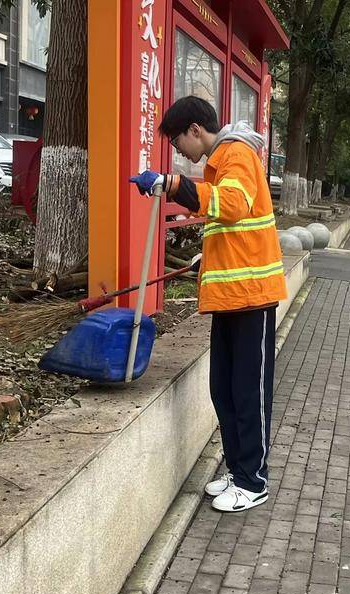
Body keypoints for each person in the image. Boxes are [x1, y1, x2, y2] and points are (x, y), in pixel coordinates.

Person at [129, 96, 286, 513]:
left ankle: (253, 481)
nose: (180, 152)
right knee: (224, 389)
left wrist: (173, 183)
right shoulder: (223, 162)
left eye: (178, 142)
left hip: (252, 298)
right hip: (232, 298)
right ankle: (238, 470)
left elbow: (231, 206)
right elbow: (234, 228)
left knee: (248, 392)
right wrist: (208, 259)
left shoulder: (237, 154)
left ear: (195, 130)